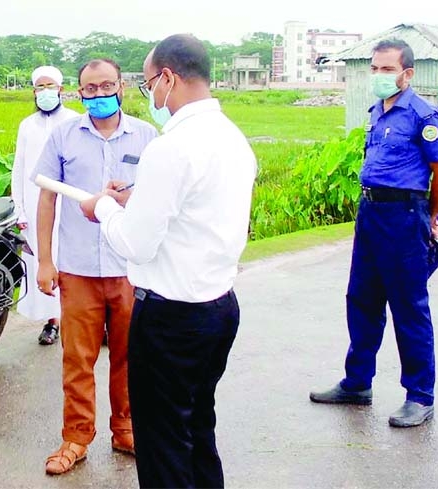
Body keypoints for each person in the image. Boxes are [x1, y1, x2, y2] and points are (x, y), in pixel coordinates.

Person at [80, 34, 256, 488]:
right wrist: (135, 198)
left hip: (171, 317)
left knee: (162, 442)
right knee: (197, 426)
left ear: (168, 79)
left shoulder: (171, 146)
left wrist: (103, 207)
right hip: (219, 305)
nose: (149, 95)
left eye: (147, 84)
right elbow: (195, 207)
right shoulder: (231, 137)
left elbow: (135, 244)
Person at [309, 39, 438, 428]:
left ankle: (420, 395)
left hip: (404, 216)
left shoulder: (424, 117)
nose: (378, 75)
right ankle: (357, 383)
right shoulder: (377, 112)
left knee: (408, 306)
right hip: (370, 212)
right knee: (362, 299)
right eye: (374, 69)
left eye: (386, 69)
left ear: (407, 74)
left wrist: (432, 214)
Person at [31, 58, 158, 475]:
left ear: (122, 86)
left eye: (107, 86)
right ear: (79, 92)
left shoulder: (147, 136)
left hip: (129, 268)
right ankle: (76, 436)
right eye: (91, 89)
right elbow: (47, 196)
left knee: (130, 356)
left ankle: (126, 429)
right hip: (79, 268)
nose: (100, 95)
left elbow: (160, 201)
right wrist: (46, 261)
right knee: (77, 359)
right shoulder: (64, 135)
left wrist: (128, 199)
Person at [11, 65, 78, 345]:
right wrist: (19, 208)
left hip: (68, 205)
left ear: (61, 90)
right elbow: (19, 168)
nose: (46, 92)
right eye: (41, 87)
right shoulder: (27, 125)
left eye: (51, 86)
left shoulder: (75, 121)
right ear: (34, 92)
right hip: (35, 203)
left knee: (71, 263)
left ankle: (75, 319)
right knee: (42, 260)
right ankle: (52, 321)